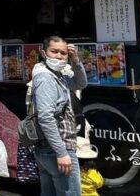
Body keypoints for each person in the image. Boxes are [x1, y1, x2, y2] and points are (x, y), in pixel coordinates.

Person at [31, 36, 88, 196]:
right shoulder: (46, 77)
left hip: (50, 149)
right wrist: (62, 152)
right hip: (57, 149)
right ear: (44, 53)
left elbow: (80, 83)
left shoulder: (57, 74)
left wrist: (76, 62)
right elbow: (45, 117)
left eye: (63, 53)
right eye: (54, 51)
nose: (58, 56)